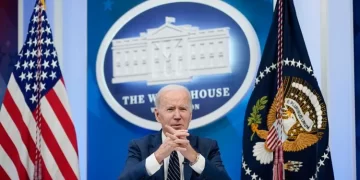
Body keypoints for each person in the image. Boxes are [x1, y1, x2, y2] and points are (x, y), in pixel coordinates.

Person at [119, 84, 231, 180]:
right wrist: (158, 156)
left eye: (183, 109)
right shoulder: (139, 147)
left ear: (190, 115)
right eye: (170, 109)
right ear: (157, 115)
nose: (177, 116)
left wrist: (194, 157)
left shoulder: (208, 147)